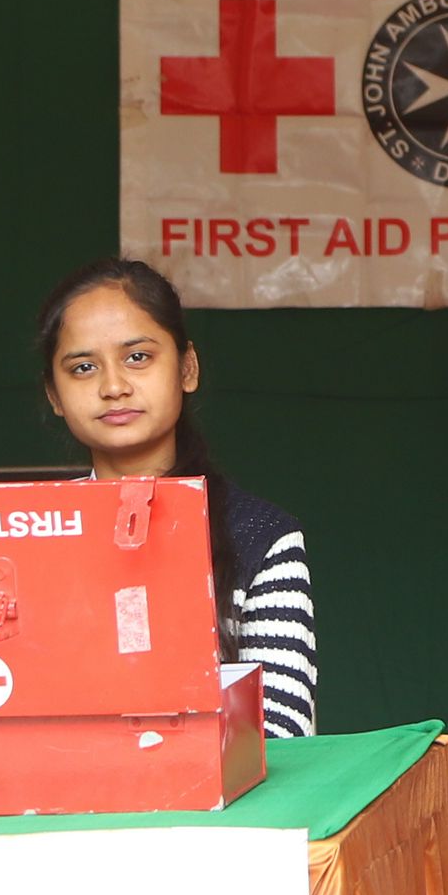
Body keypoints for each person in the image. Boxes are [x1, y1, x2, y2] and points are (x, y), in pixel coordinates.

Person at [34, 257, 317, 741]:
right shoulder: (30, 535)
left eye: (137, 357)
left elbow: (280, 734)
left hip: (213, 794)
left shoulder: (263, 538)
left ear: (187, 368)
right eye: (83, 367)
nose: (113, 386)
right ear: (54, 395)